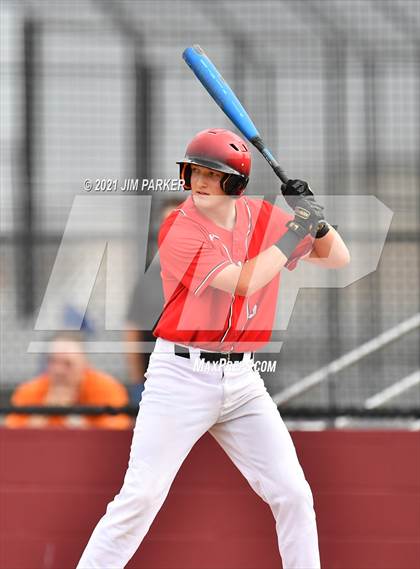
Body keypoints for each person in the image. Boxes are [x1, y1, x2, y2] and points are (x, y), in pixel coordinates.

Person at [77, 128, 350, 568]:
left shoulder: (263, 218)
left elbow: (338, 257)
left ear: (236, 183)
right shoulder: (178, 226)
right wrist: (293, 230)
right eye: (194, 172)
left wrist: (315, 219)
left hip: (243, 381)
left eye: (213, 174)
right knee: (141, 496)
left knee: (293, 493)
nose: (200, 182)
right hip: (180, 376)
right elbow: (244, 282)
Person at [124, 197, 186, 405]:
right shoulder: (148, 279)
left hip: (194, 383)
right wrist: (137, 383)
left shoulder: (213, 274)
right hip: (154, 385)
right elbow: (132, 332)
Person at [6, 332, 132, 429]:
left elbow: (116, 432)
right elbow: (11, 432)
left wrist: (71, 415)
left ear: (84, 365)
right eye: (52, 362)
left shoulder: (107, 388)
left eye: (68, 364)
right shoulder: (29, 391)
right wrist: (43, 413)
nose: (58, 371)